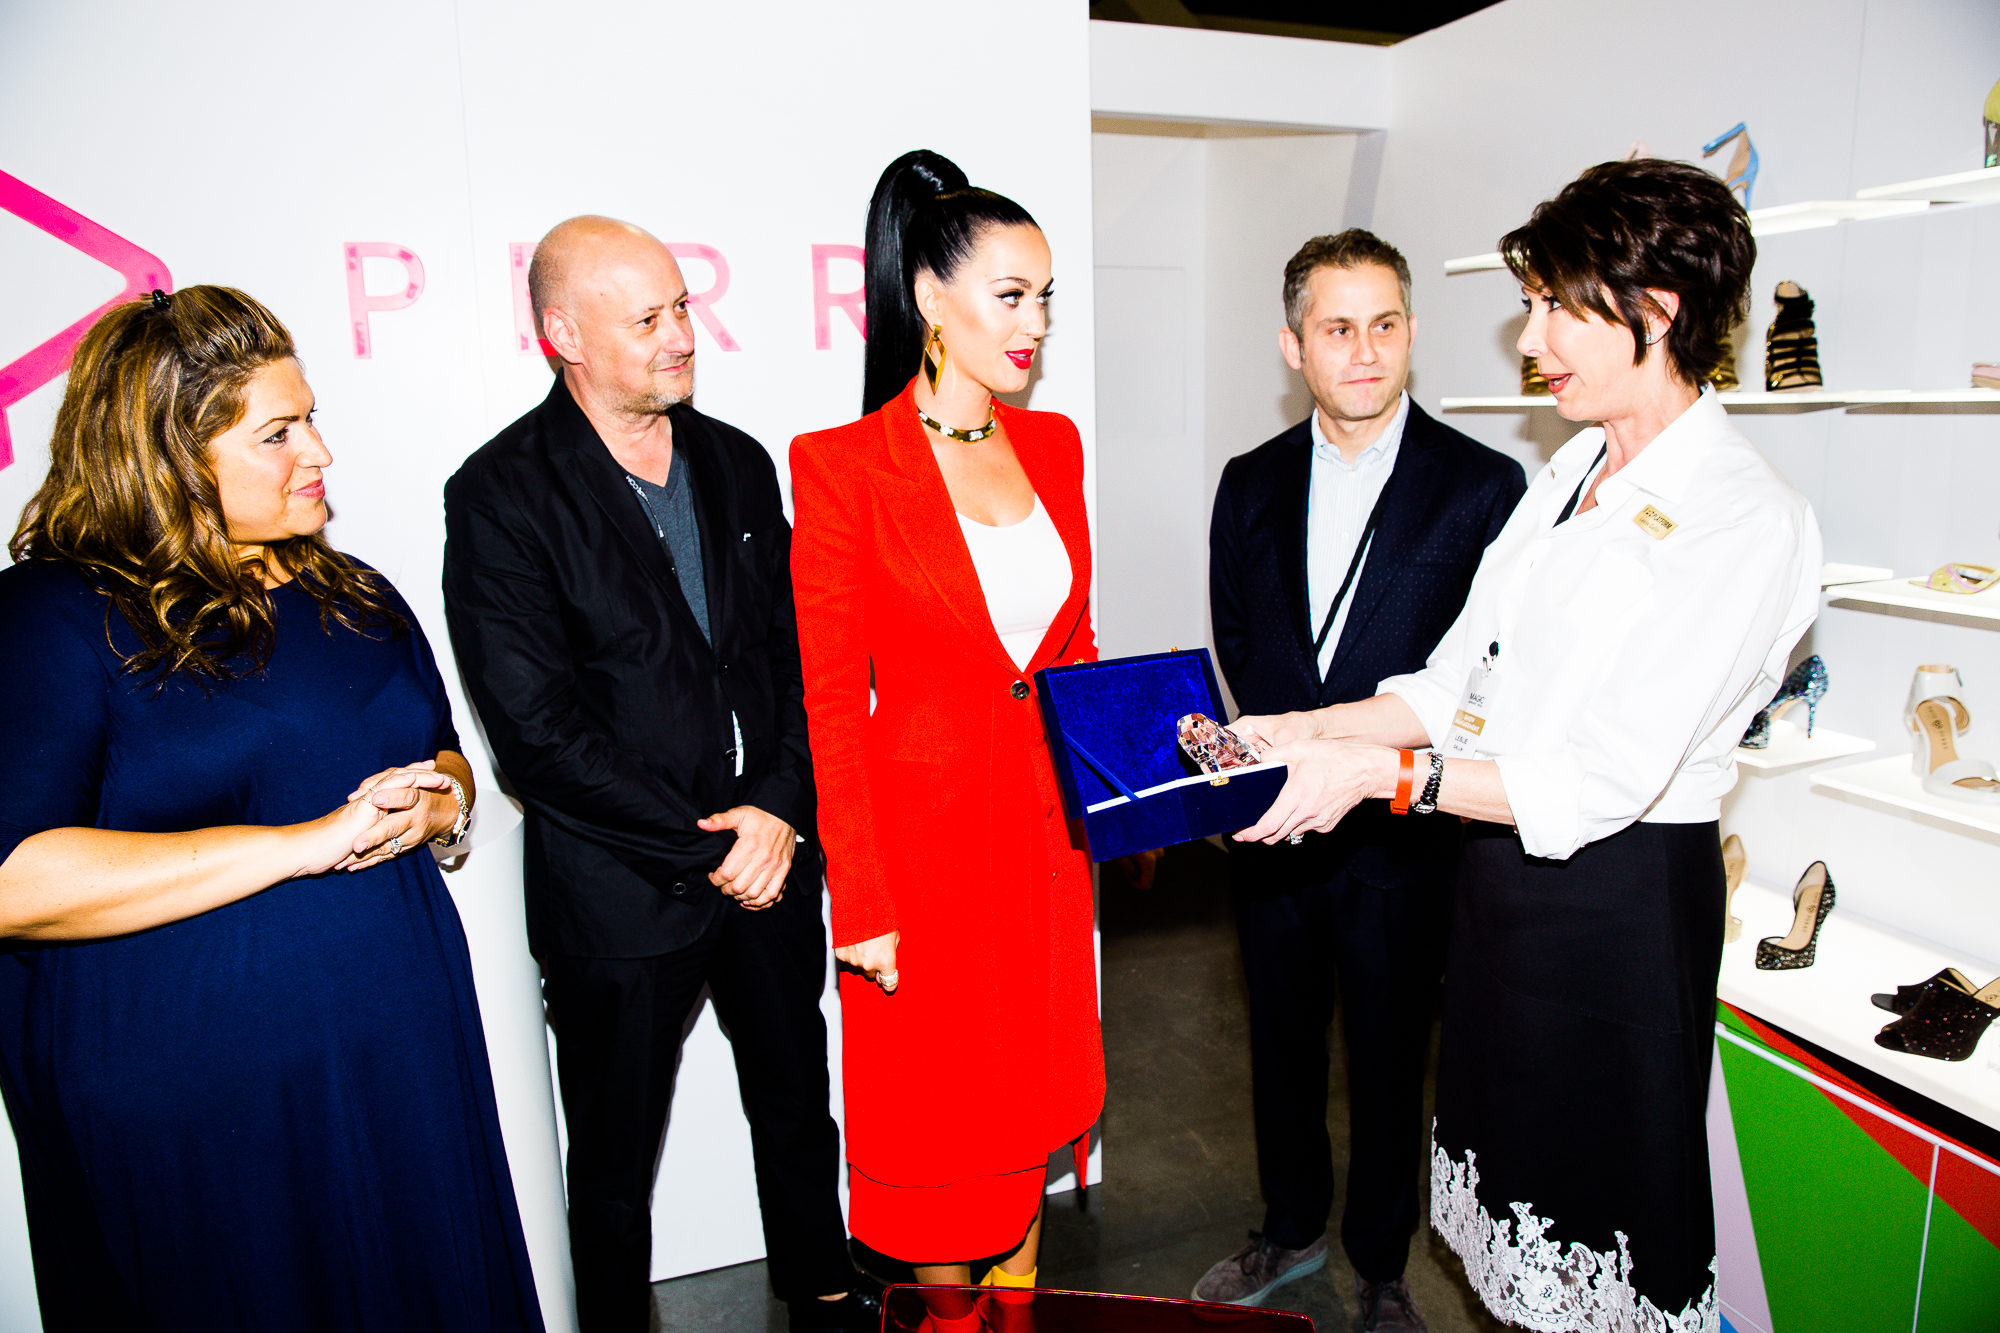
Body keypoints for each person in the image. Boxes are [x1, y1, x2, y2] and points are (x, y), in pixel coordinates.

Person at [1231, 159, 1821, 1331]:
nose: (1529, 334)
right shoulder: (1569, 469)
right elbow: (1456, 680)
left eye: (1555, 304)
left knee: (1599, 1230)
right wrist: (1305, 728)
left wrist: (1377, 777)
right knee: (1512, 1230)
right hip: (1499, 886)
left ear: (1654, 311)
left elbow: (1601, 779)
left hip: (1616, 911)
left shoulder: (1743, 515)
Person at [0, 287, 542, 1330]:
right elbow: (14, 880)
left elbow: (441, 753)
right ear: (169, 453)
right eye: (278, 432)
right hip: (200, 1093)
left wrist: (444, 808)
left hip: (398, 1053)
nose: (319, 453)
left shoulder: (356, 593)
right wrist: (306, 844)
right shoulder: (52, 615)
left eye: (312, 419)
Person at [442, 217, 874, 1333]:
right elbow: (535, 735)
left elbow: (794, 662)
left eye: (682, 306)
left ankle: (826, 1296)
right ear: (563, 335)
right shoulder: (500, 495)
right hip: (623, 893)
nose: (681, 334)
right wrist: (712, 840)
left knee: (797, 1107)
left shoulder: (737, 462)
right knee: (614, 1161)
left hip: (770, 862)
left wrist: (777, 807)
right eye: (647, 319)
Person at [1198, 231, 1524, 1330]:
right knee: (1278, 1043)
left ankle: (1382, 1264)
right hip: (1278, 829)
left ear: (1412, 332)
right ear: (1294, 345)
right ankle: (1289, 1224)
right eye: (1337, 328)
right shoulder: (1247, 483)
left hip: (1402, 833)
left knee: (1391, 1059)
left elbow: (1485, 677)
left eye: (1384, 324)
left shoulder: (1482, 486)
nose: (1365, 349)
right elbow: (1241, 643)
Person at [788, 150, 1101, 1290]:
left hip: (1045, 851)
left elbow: (1072, 650)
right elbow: (829, 703)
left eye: (1044, 297)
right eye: (1009, 296)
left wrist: (1126, 791)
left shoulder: (1053, 446)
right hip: (923, 868)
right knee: (941, 1144)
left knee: (1027, 1119)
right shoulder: (841, 468)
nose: (1035, 325)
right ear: (929, 296)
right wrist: (863, 900)